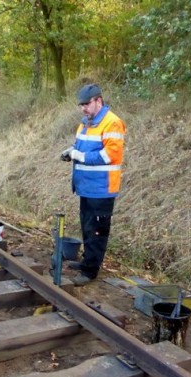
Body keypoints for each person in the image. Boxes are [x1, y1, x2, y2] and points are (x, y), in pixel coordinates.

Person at [60, 84, 126, 286]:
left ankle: (90, 271)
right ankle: (87, 262)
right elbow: (80, 146)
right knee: (87, 227)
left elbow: (109, 155)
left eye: (86, 104)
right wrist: (70, 150)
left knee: (97, 230)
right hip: (86, 187)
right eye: (81, 105)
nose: (83, 108)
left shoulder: (112, 123)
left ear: (98, 100)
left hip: (102, 188)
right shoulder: (86, 123)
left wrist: (79, 155)